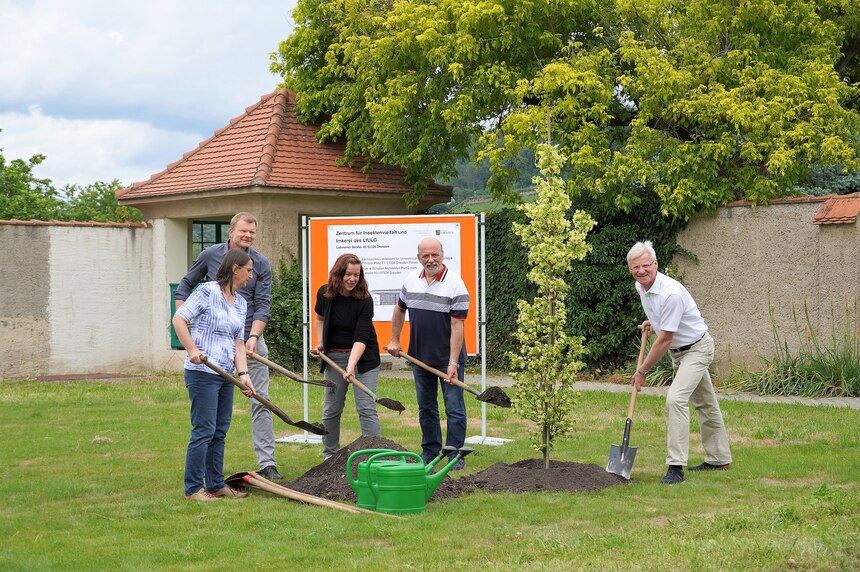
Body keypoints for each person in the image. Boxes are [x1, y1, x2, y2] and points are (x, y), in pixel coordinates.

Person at [174, 213, 282, 480]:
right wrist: (186, 320)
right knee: (207, 424)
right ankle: (199, 482)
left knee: (259, 399)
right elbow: (185, 286)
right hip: (213, 344)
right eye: (244, 231)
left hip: (247, 339)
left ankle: (266, 462)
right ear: (231, 231)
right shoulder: (210, 259)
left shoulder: (261, 264)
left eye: (252, 233)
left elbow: (263, 305)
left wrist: (253, 338)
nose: (248, 236)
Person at [628, 240, 732, 485]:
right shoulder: (640, 286)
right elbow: (664, 322)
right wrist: (653, 322)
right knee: (706, 403)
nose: (641, 271)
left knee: (675, 399)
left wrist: (642, 371)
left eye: (645, 266)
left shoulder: (671, 293)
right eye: (635, 267)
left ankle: (675, 468)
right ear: (631, 269)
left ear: (656, 264)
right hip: (680, 352)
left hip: (697, 349)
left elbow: (665, 339)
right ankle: (719, 458)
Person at [172, 249, 257, 501]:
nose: (251, 276)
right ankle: (194, 489)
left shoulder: (241, 304)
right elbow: (179, 319)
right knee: (204, 429)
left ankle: (217, 483)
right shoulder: (207, 291)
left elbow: (238, 343)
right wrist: (191, 349)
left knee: (220, 430)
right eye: (248, 270)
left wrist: (243, 374)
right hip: (202, 372)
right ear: (235, 269)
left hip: (225, 374)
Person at [387, 237, 470, 469]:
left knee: (453, 408)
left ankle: (454, 454)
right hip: (420, 358)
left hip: (447, 359)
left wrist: (453, 363)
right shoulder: (411, 280)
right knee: (426, 407)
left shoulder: (455, 284)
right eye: (426, 256)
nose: (431, 260)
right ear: (419, 258)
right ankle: (431, 451)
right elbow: (399, 310)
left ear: (443, 255)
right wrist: (395, 339)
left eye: (435, 255)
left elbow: (457, 326)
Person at [310, 253, 382, 459]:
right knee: (331, 409)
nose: (352, 279)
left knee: (366, 407)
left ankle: (373, 456)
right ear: (338, 274)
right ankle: (330, 455)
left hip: (364, 360)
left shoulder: (365, 300)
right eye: (348, 274)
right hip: (333, 358)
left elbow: (361, 337)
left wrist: (351, 366)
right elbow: (320, 318)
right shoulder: (325, 294)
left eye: (356, 275)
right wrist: (320, 343)